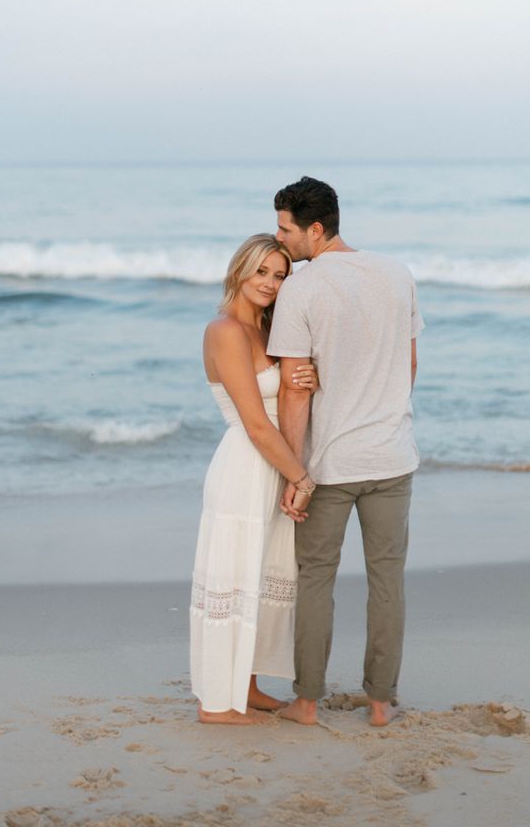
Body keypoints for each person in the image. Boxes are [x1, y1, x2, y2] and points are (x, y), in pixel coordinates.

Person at [266, 177, 424, 728]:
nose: (279, 238)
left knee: (315, 579)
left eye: (286, 228)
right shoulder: (396, 273)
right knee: (388, 581)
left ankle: (307, 703)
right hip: (392, 458)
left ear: (315, 228)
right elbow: (408, 364)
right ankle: (381, 705)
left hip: (328, 465)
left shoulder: (302, 290)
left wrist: (294, 471)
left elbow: (293, 387)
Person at [189, 233, 319, 725]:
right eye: (262, 271)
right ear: (240, 270)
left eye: (280, 275)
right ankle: (216, 704)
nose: (270, 283)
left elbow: (286, 397)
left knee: (264, 578)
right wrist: (301, 478)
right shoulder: (224, 330)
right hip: (247, 464)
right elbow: (255, 421)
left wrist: (309, 379)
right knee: (233, 577)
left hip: (277, 462)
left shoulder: (269, 331)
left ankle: (247, 686)